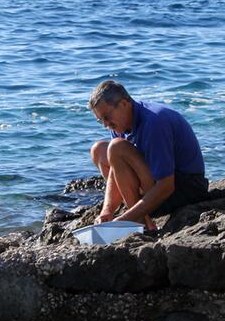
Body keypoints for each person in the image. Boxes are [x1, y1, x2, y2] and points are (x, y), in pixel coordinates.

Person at [88, 80, 207, 230]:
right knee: (98, 150)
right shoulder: (119, 123)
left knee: (117, 147)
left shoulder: (153, 122)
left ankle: (139, 222)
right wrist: (107, 210)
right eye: (101, 120)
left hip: (187, 188)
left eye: (107, 117)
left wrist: (126, 218)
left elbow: (166, 186)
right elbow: (115, 166)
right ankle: (142, 219)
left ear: (124, 104)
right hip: (157, 183)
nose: (106, 125)